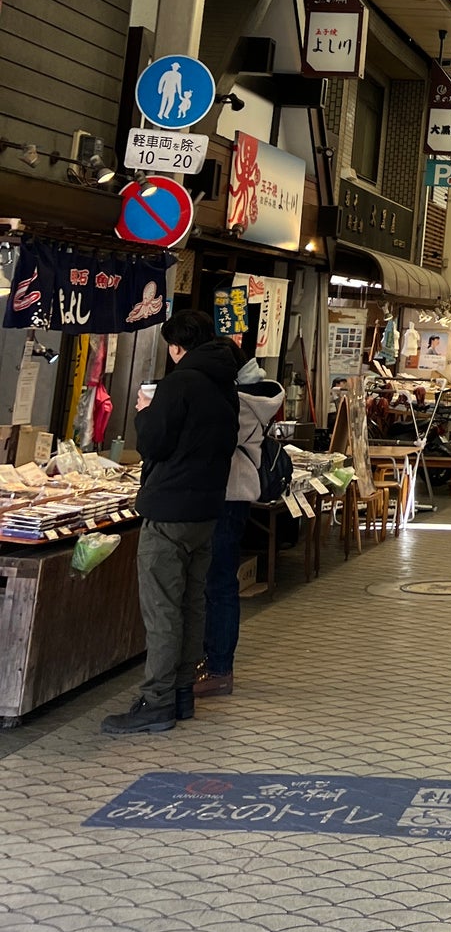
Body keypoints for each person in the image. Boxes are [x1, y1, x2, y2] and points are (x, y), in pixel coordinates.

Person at [102, 308, 239, 735]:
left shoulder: (180, 383)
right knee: (192, 603)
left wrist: (145, 411)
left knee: (162, 608)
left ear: (178, 347)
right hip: (206, 509)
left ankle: (156, 701)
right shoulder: (224, 384)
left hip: (169, 511)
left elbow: (155, 444)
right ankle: (182, 692)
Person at [193, 353, 284, 699]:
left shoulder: (238, 404)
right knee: (221, 583)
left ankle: (217, 667)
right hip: (237, 496)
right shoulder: (259, 398)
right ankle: (214, 663)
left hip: (225, 494)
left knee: (218, 585)